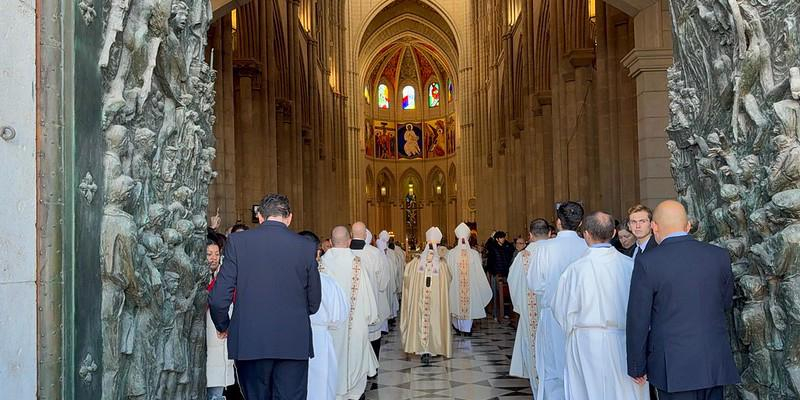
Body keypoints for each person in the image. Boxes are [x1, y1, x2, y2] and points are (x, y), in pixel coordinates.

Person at [208, 193, 321, 400]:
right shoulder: (306, 247)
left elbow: (218, 297)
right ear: (289, 218)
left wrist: (224, 326)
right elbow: (314, 302)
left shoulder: (238, 242)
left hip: (250, 341)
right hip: (293, 342)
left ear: (260, 217)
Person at [627, 200, 740, 400]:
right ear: (687, 226)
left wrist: (637, 365)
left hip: (673, 366)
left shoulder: (647, 262)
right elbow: (725, 303)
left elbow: (639, 319)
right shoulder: (719, 256)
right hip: (713, 361)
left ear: (654, 227)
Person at [552, 212, 649, 400]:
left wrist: (574, 328)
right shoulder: (630, 266)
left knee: (587, 393)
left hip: (585, 341)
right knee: (624, 393)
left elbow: (561, 309)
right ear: (613, 233)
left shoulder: (575, 270)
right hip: (625, 340)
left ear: (586, 234)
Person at [526, 201, 587, 400]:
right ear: (580, 223)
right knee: (580, 369)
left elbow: (534, 283)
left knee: (553, 369)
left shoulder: (544, 248)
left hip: (553, 316)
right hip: (583, 317)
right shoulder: (587, 246)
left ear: (558, 222)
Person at [320, 226, 380, 400]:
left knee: (333, 362)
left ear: (330, 243)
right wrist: (370, 315)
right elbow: (368, 298)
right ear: (349, 242)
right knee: (355, 357)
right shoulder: (356, 264)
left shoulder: (321, 265)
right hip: (356, 327)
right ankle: (355, 394)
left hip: (329, 328)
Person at [300, 231, 350, 400]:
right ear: (318, 252)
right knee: (321, 383)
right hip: (320, 340)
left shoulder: (285, 280)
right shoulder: (327, 282)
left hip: (291, 340)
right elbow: (339, 316)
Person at [508, 218, 550, 393]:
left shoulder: (523, 256)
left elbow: (513, 281)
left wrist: (520, 307)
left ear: (530, 235)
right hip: (554, 313)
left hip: (530, 311)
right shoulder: (554, 253)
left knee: (532, 347)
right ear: (549, 234)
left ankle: (537, 390)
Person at [401, 227, 453, 365]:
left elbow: (406, 279)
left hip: (420, 300)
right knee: (435, 317)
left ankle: (421, 349)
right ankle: (433, 348)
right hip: (435, 301)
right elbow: (448, 280)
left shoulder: (415, 262)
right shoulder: (441, 263)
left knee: (420, 317)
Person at [350, 222, 391, 361]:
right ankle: (372, 370)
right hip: (370, 306)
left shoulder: (344, 252)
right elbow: (383, 283)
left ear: (351, 234)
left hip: (350, 309)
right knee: (372, 337)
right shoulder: (374, 253)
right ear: (366, 235)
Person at [446, 223, 493, 336]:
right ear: (468, 238)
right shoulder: (474, 254)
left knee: (456, 305)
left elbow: (448, 271)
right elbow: (479, 272)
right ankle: (467, 329)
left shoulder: (451, 253)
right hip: (470, 286)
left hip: (456, 285)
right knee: (468, 304)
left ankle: (459, 327)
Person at [205, 241, 235, 400]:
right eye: (209, 254)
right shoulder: (200, 278)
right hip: (205, 337)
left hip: (220, 335)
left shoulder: (224, 278)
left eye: (217, 254)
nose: (213, 258)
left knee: (217, 388)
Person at [487, 231, 514, 319]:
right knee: (496, 294)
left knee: (506, 295)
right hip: (496, 274)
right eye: (502, 238)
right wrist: (492, 237)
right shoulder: (493, 247)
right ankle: (495, 313)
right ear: (497, 239)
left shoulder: (506, 247)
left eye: (504, 237)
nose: (503, 239)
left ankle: (506, 312)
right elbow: (488, 246)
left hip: (505, 273)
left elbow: (511, 250)